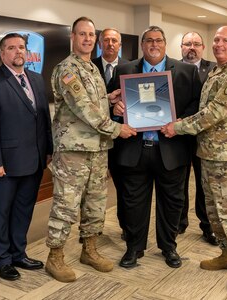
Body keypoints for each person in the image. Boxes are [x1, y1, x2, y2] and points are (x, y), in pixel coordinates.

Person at [161, 26, 227, 293]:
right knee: (215, 212)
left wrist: (177, 126)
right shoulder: (217, 72)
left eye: (225, 40)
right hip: (210, 153)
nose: (219, 44)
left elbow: (213, 112)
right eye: (215, 39)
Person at [45, 16, 136, 283]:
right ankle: (55, 256)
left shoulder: (92, 68)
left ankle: (90, 249)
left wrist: (110, 98)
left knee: (96, 203)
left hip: (97, 149)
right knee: (66, 204)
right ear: (72, 37)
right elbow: (83, 108)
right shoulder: (67, 69)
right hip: (73, 150)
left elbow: (94, 102)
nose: (87, 39)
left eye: (90, 35)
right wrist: (118, 129)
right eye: (82, 34)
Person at [108, 26, 202, 269]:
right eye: (148, 40)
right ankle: (133, 248)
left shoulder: (186, 72)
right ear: (142, 45)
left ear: (165, 43)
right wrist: (115, 109)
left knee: (172, 202)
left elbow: (197, 104)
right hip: (134, 149)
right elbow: (109, 101)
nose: (153, 44)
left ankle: (168, 246)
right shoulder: (124, 69)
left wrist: (182, 121)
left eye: (158, 40)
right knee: (132, 202)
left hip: (171, 148)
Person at [0, 33, 53, 281]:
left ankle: (18, 253)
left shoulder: (37, 79)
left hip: (34, 160)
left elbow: (44, 119)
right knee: (0, 213)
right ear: (2, 53)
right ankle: (1, 259)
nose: (18, 51)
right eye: (11, 47)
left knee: (23, 211)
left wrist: (48, 150)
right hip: (5, 164)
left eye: (21, 47)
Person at [178, 31, 218, 246]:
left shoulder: (214, 70)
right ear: (181, 47)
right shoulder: (172, 68)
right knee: (178, 182)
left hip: (205, 138)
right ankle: (180, 222)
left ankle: (207, 226)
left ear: (203, 47)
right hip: (178, 136)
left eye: (196, 44)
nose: (191, 48)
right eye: (187, 44)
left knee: (205, 184)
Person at [91, 28, 129, 240]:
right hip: (95, 138)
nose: (110, 44)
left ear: (120, 44)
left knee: (124, 186)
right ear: (100, 43)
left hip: (121, 138)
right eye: (106, 40)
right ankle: (91, 230)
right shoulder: (90, 66)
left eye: (114, 40)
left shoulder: (130, 67)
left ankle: (125, 226)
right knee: (93, 189)